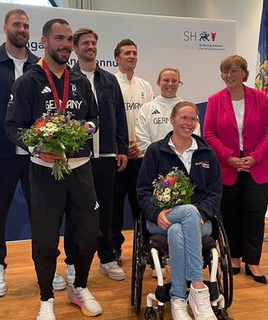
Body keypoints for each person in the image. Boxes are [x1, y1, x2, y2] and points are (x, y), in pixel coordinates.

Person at [4, 18, 102, 319]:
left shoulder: (81, 81)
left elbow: (95, 120)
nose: (66, 45)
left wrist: (84, 128)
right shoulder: (28, 81)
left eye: (69, 39)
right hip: (44, 173)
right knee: (46, 238)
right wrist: (36, 146)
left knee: (89, 235)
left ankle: (80, 286)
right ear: (44, 42)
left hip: (81, 170)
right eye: (59, 38)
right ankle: (46, 298)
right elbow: (11, 126)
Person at [0, 8, 66, 297]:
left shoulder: (41, 68)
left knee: (42, 213)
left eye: (25, 25)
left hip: (37, 155)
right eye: (16, 24)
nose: (21, 29)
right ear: (5, 28)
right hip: (1, 155)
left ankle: (45, 268)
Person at [137, 101, 221, 320]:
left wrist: (202, 213)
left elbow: (215, 193)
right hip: (161, 219)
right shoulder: (156, 151)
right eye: (184, 118)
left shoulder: (206, 153)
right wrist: (156, 213)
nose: (188, 123)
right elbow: (143, 191)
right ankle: (198, 287)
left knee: (181, 226)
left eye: (193, 119)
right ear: (172, 120)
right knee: (186, 215)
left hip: (199, 222)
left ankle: (177, 299)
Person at [63, 27, 129, 284]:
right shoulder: (68, 78)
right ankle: (71, 262)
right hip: (78, 158)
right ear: (75, 48)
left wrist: (121, 148)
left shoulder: (109, 80)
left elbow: (120, 116)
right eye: (85, 43)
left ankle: (107, 258)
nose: (90, 47)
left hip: (107, 155)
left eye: (94, 43)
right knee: (76, 211)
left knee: (106, 211)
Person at [203, 55, 268, 284]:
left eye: (233, 71)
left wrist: (254, 157)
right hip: (228, 167)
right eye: (225, 72)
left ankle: (253, 262)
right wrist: (229, 158)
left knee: (254, 215)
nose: (229, 76)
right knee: (231, 215)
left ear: (244, 73)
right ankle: (234, 258)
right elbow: (209, 134)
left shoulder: (259, 98)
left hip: (257, 166)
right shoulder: (215, 100)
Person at [111, 39, 154, 265]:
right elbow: (109, 121)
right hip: (118, 157)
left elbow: (150, 122)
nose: (132, 56)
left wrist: (141, 145)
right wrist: (122, 147)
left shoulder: (146, 87)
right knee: (115, 206)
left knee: (142, 205)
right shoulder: (109, 83)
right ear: (117, 58)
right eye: (127, 53)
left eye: (135, 53)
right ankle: (115, 249)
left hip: (142, 157)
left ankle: (146, 247)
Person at [136, 67, 200, 154]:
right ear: (158, 83)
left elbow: (195, 135)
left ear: (179, 83)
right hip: (154, 160)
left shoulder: (188, 109)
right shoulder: (146, 109)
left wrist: (180, 154)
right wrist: (158, 155)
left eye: (174, 81)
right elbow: (141, 139)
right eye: (166, 80)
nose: (170, 84)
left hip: (183, 159)